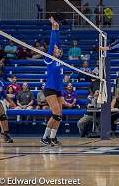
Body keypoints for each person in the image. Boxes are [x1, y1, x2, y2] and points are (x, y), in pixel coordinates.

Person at [41, 16, 64, 146]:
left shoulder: (59, 60)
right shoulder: (49, 58)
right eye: (55, 48)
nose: (57, 49)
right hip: (50, 88)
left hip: (58, 89)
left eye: (57, 48)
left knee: (59, 114)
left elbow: (57, 42)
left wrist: (57, 27)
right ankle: (45, 137)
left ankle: (53, 138)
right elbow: (53, 42)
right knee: (56, 113)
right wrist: (52, 28)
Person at [0, 77, 13, 143]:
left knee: (3, 116)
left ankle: (6, 135)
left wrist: (10, 101)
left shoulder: (1, 80)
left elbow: (3, 93)